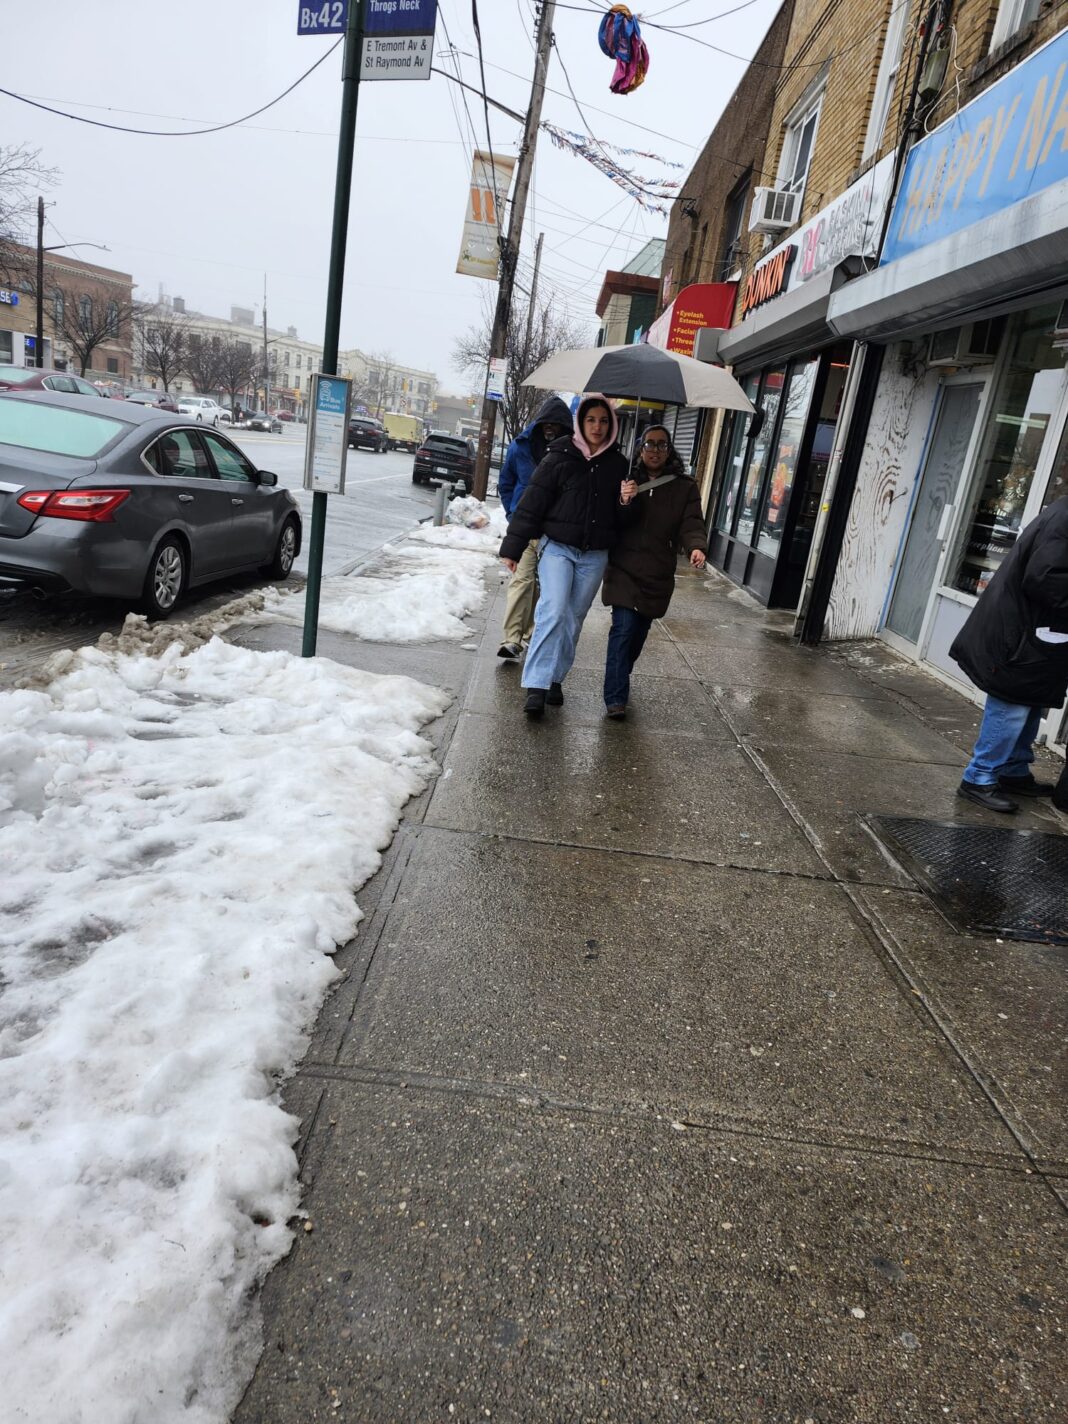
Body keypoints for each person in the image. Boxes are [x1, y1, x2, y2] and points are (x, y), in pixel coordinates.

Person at [500, 395, 637, 718]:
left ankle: (555, 678)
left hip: (594, 555)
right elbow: (533, 502)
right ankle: (536, 685)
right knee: (553, 609)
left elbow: (624, 522)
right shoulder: (559, 455)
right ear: (580, 421)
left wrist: (627, 501)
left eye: (604, 421)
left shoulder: (620, 465)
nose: (597, 427)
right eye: (591, 420)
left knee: (573, 618)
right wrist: (513, 547)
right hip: (557, 547)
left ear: (612, 425)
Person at [950, 495, 1068, 813]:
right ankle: (978, 779)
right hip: (1022, 638)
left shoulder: (1062, 513)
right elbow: (1044, 579)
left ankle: (1013, 771)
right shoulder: (1064, 519)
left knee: (1028, 706)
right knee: (1011, 707)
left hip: (1033, 635)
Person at [600, 424, 708, 720]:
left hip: (656, 572)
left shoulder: (684, 486)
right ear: (640, 448)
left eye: (661, 445)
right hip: (623, 566)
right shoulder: (626, 478)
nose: (655, 450)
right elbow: (612, 519)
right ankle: (615, 697)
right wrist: (624, 499)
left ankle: (620, 674)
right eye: (650, 444)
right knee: (622, 631)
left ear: (669, 449)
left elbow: (691, 523)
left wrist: (696, 546)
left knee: (637, 635)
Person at [496, 395, 573, 660]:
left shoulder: (571, 452)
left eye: (556, 424)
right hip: (527, 527)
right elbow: (506, 482)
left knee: (542, 586)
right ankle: (511, 639)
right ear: (539, 423)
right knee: (522, 579)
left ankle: (528, 634)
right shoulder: (522, 447)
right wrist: (512, 513)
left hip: (555, 532)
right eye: (546, 423)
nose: (550, 428)